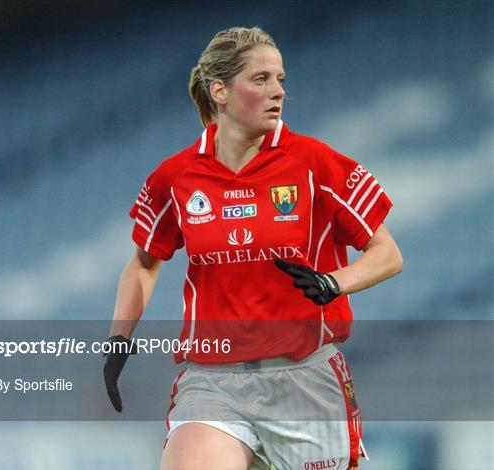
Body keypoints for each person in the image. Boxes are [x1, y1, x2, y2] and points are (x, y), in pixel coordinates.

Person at [104, 26, 403, 470]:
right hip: (211, 383)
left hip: (306, 381)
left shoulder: (314, 162)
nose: (277, 91)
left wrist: (333, 283)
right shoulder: (175, 177)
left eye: (280, 79)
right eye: (260, 79)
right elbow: (144, 263)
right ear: (219, 90)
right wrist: (118, 339)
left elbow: (388, 253)